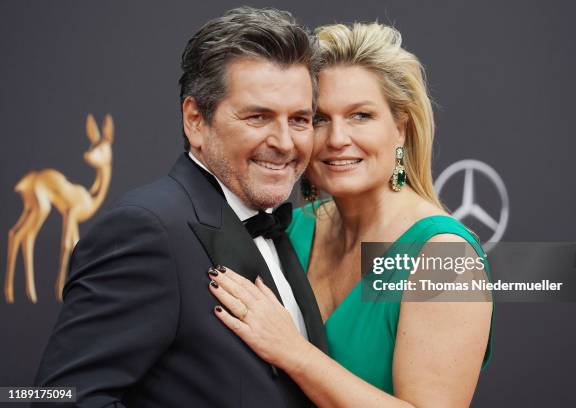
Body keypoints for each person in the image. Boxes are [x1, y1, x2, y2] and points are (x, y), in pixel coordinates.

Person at [34, 7, 327, 407]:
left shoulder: (276, 226)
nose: (285, 142)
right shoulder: (147, 230)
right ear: (195, 120)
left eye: (299, 119)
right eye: (258, 117)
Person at [208, 22, 494, 407]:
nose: (338, 138)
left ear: (401, 129)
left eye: (360, 115)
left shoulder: (445, 258)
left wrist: (293, 352)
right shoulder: (296, 227)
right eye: (319, 119)